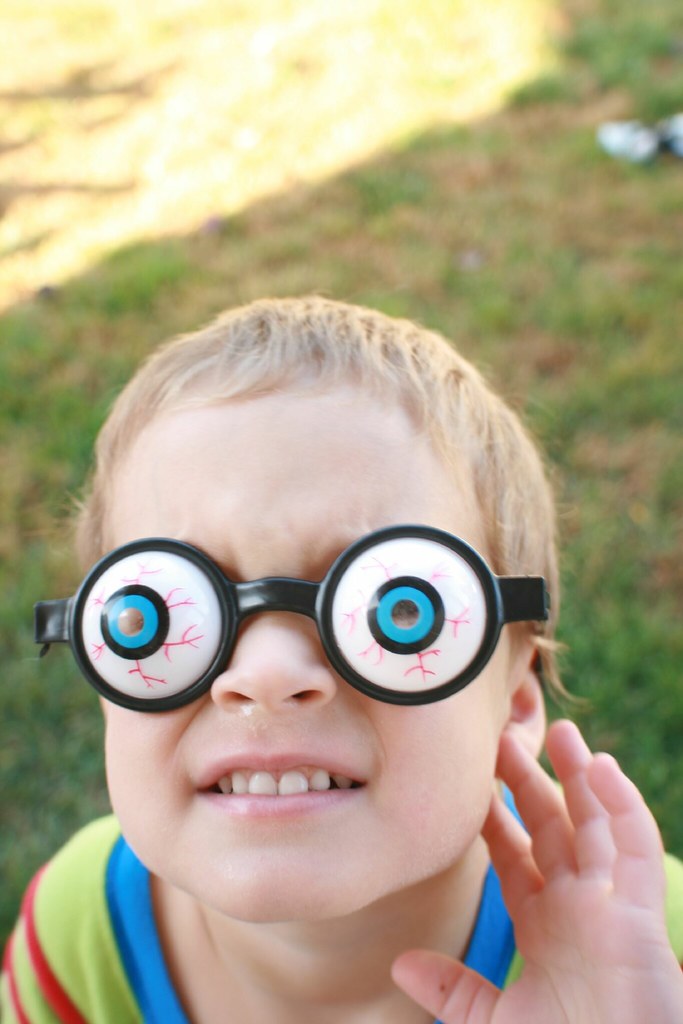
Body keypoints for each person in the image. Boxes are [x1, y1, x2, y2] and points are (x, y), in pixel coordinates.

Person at [2, 296, 682, 1024]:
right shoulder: (79, 935)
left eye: (401, 612)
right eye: (154, 617)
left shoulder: (641, 952)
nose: (265, 675)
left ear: (514, 703)